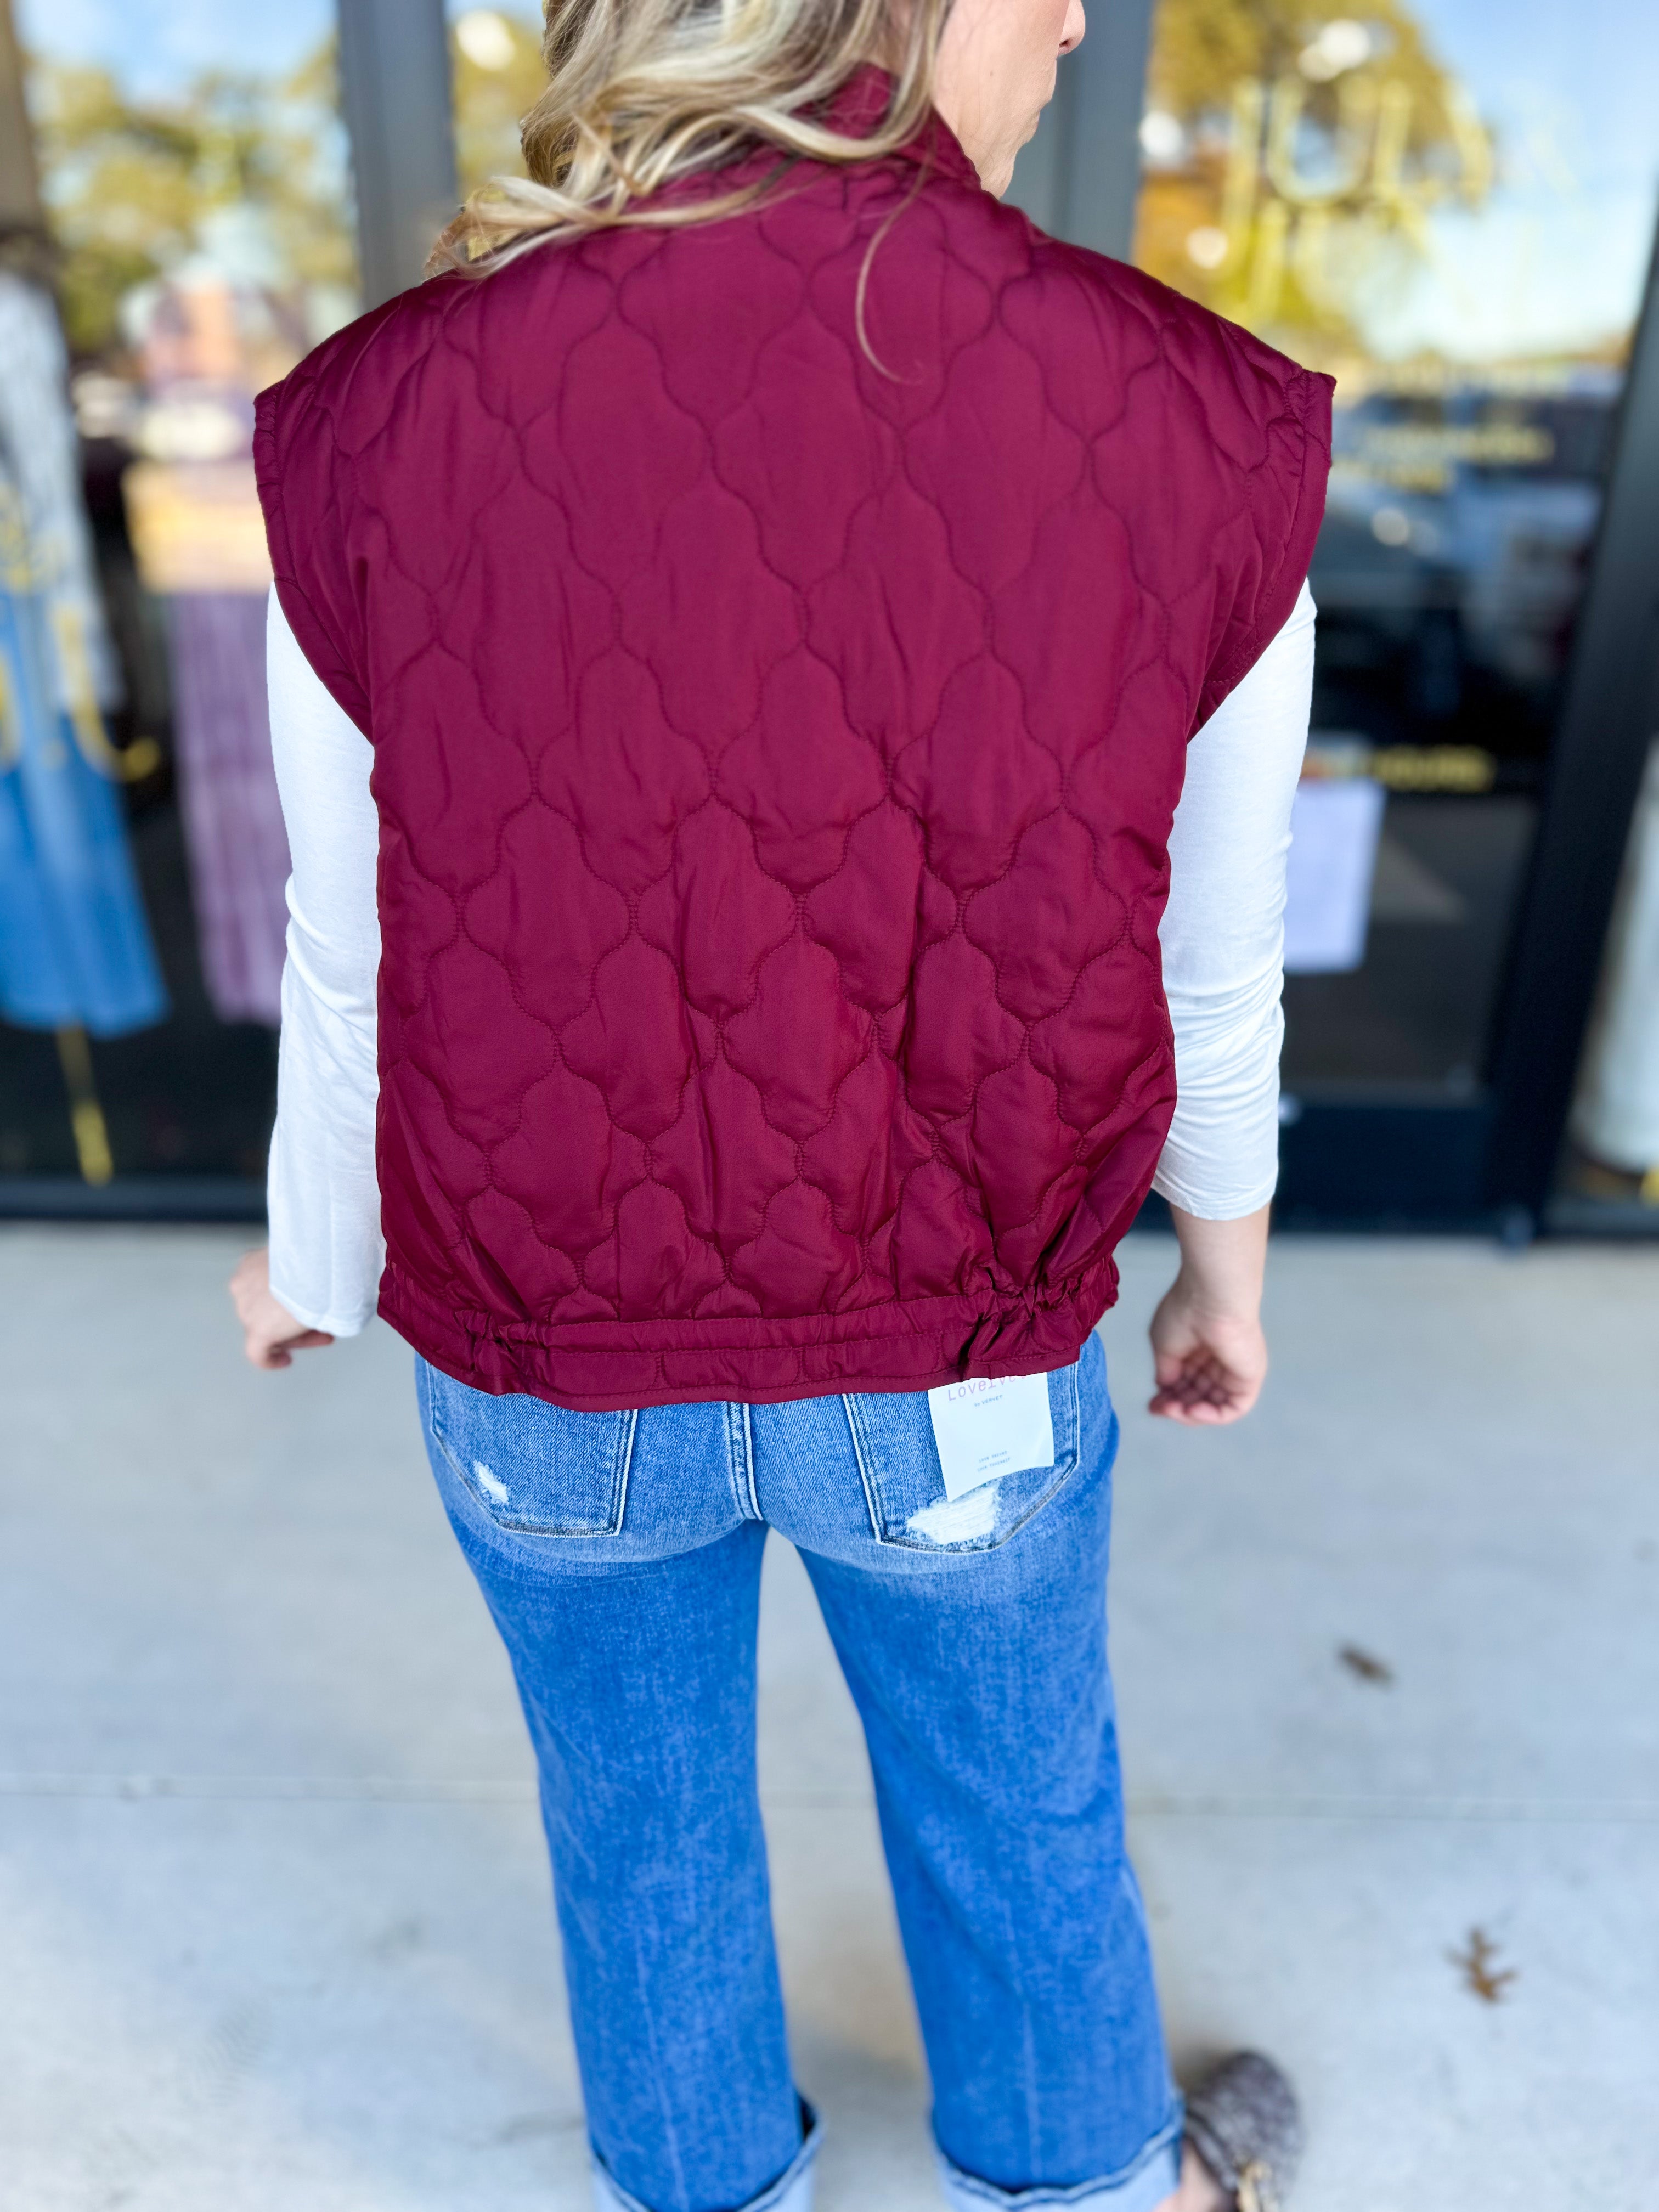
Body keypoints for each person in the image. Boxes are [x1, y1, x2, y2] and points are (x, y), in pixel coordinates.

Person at [231, 0, 1330, 2204]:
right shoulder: (1193, 416)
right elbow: (1204, 964)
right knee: (1021, 1809)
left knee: (634, 1830)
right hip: (956, 1365)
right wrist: (1223, 1275)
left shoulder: (369, 417)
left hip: (547, 1365)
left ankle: (710, 2185)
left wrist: (317, 1263)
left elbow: (350, 945)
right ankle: (1103, 2184)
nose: (1082, 22)